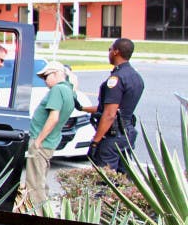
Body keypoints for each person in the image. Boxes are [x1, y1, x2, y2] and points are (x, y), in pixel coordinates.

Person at [78, 38, 144, 173]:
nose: (109, 53)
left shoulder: (116, 79)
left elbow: (109, 114)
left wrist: (96, 141)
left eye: (110, 49)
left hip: (113, 137)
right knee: (123, 180)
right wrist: (82, 108)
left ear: (116, 52)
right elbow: (115, 108)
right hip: (127, 133)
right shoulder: (136, 76)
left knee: (104, 181)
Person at [25, 61, 75, 210]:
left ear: (56, 74)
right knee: (40, 181)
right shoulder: (68, 90)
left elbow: (54, 117)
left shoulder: (57, 90)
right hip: (50, 142)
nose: (45, 80)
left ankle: (37, 214)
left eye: (46, 76)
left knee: (34, 184)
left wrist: (38, 141)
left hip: (42, 142)